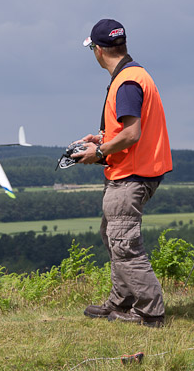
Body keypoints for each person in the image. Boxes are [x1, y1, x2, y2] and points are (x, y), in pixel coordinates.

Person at [72, 19, 172, 327]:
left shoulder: (126, 82)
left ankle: (150, 313)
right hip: (138, 169)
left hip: (132, 174)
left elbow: (132, 134)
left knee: (125, 245)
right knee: (113, 236)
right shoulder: (135, 76)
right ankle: (121, 301)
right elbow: (124, 131)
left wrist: (98, 153)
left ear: (99, 51)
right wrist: (100, 139)